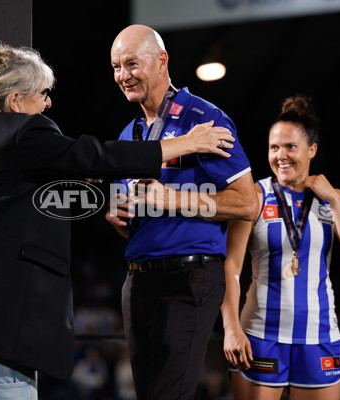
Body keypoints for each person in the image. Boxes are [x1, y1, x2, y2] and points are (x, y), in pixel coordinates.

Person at [0, 42, 237, 400]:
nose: (47, 103)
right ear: (15, 102)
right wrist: (184, 143)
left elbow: (15, 199)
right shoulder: (25, 131)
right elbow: (92, 154)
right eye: (42, 94)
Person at [105, 25, 258, 400]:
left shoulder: (205, 120)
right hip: (137, 281)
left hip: (188, 278)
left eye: (131, 64)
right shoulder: (131, 134)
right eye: (115, 67)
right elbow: (136, 220)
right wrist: (120, 217)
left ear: (161, 61)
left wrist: (170, 198)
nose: (123, 76)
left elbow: (246, 202)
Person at [221, 95, 340, 400]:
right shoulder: (254, 196)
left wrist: (331, 198)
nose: (281, 156)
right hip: (261, 337)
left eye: (291, 146)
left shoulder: (334, 198)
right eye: (274, 147)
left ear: (312, 150)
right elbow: (230, 268)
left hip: (319, 338)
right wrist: (231, 328)